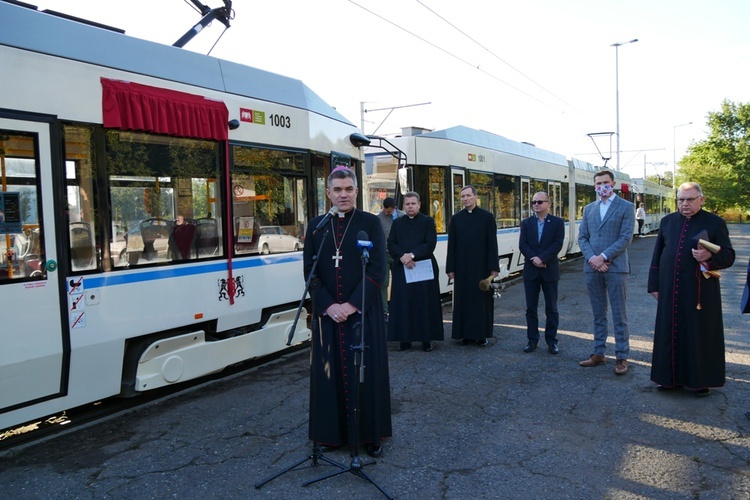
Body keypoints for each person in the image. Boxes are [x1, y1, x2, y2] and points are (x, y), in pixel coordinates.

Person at [302, 166, 392, 457]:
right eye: (337, 190)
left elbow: (379, 267)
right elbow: (310, 273)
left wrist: (351, 305)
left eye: (348, 189)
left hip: (362, 312)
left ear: (356, 192)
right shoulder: (316, 226)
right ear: (328, 193)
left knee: (366, 375)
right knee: (329, 375)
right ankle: (331, 435)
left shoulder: (369, 222)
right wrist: (328, 306)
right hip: (328, 316)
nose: (343, 195)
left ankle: (370, 434)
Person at [648, 182, 735, 396]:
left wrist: (710, 257)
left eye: (689, 199)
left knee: (698, 334)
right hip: (669, 288)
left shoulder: (715, 223)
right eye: (680, 199)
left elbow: (729, 255)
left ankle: (699, 381)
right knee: (668, 332)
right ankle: (668, 379)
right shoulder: (667, 221)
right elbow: (657, 256)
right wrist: (654, 285)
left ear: (702, 200)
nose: (684, 204)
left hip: (700, 291)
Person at [578, 169, 635, 375]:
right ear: (595, 186)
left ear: (613, 184)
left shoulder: (626, 207)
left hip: (616, 268)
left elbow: (626, 238)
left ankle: (621, 357)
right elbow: (582, 237)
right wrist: (593, 259)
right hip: (592, 268)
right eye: (598, 183)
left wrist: (603, 257)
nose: (602, 186)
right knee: (598, 313)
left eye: (606, 182)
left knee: (619, 315)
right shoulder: (589, 209)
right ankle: (599, 353)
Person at [387, 192, 444, 352]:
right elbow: (391, 243)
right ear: (404, 206)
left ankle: (426, 339)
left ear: (419, 204)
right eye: (407, 204)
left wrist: (412, 255)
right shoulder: (397, 223)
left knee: (424, 304)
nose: (410, 206)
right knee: (404, 304)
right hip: (403, 268)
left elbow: (430, 243)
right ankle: (405, 339)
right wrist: (402, 257)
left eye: (413, 203)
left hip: (423, 268)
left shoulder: (427, 221)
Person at [446, 185, 499, 346]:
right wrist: (450, 268)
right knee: (463, 300)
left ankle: (481, 335)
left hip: (481, 267)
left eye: (468, 195)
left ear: (476, 197)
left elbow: (492, 244)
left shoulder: (487, 217)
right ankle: (465, 335)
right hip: (462, 267)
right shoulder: (456, 219)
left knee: (480, 301)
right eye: (462, 196)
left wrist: (493, 267)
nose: (465, 199)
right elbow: (452, 245)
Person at [518, 192, 565, 354]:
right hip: (531, 271)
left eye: (539, 202)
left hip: (549, 270)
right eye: (533, 202)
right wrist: (534, 258)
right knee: (531, 308)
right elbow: (522, 244)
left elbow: (557, 243)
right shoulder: (526, 223)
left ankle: (552, 341)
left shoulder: (557, 223)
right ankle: (532, 340)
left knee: (551, 308)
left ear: (548, 204)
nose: (536, 205)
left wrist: (543, 259)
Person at [376, 197, 404, 317]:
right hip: (386, 254)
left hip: (400, 254)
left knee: (401, 281)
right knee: (384, 282)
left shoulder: (403, 216)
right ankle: (384, 311)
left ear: (395, 208)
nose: (386, 213)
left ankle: (400, 308)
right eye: (385, 210)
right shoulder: (379, 219)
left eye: (389, 211)